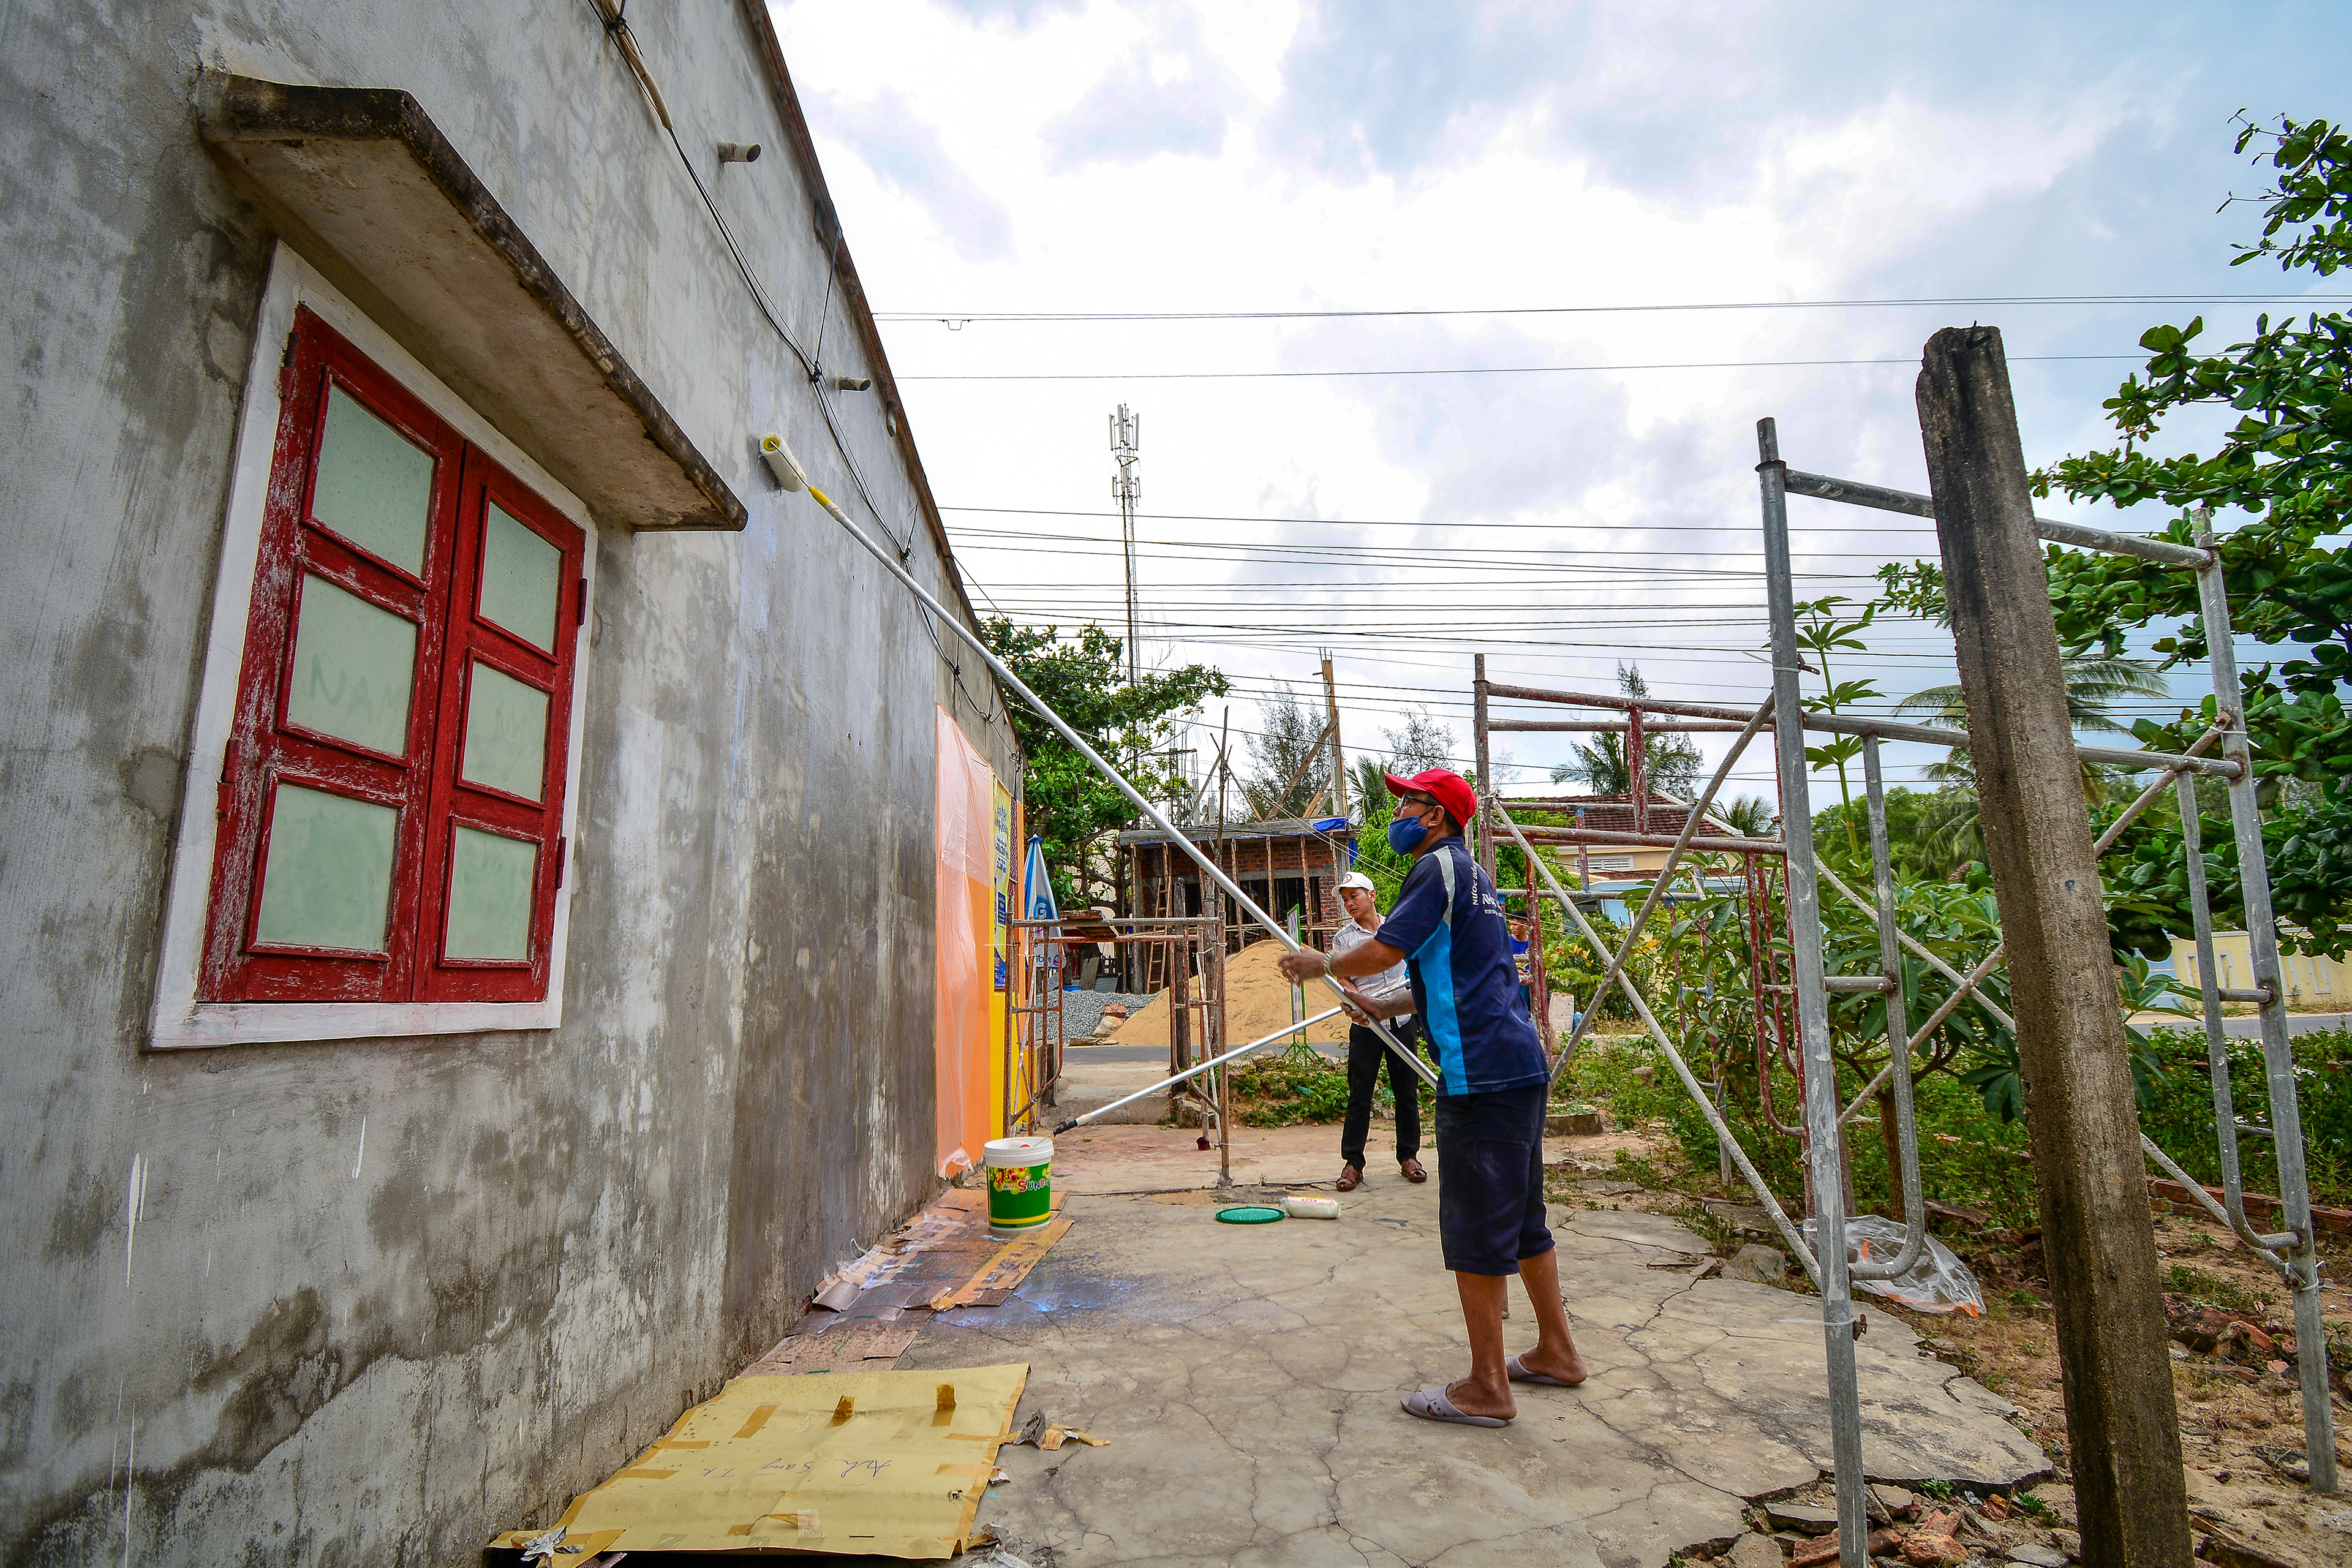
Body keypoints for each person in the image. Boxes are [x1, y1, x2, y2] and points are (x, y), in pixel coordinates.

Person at [1280, 767, 1587, 1428]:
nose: (1396, 811)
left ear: (1435, 816)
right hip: (1515, 1066)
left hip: (1481, 1075)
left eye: (1407, 802)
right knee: (1524, 1219)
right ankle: (1557, 1351)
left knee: (1476, 1227)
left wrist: (1323, 964)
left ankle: (1487, 1387)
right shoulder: (1470, 877)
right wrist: (1378, 1005)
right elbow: (1442, 981)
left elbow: (1386, 946)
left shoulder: (1436, 869)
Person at [1328, 870, 1427, 1192]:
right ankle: (1353, 1163)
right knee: (1360, 1094)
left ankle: (1409, 1157)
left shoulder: (1395, 927)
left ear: (1371, 896)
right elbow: (1343, 978)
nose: (1349, 903)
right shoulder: (1344, 939)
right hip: (1366, 1024)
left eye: (1353, 896)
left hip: (1401, 1020)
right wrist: (1350, 998)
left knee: (1406, 1090)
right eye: (1344, 899)